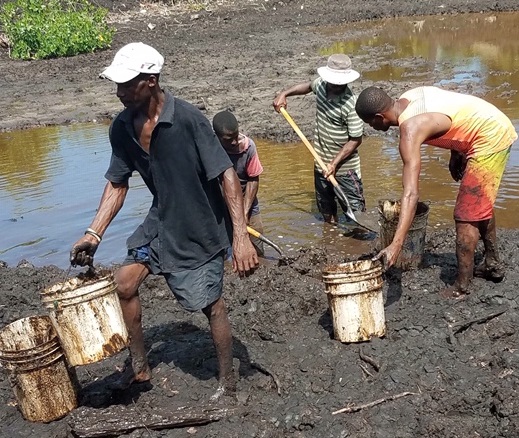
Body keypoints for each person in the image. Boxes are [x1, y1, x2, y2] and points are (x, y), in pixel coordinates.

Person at [69, 42, 259, 397]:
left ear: (151, 81)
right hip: (161, 220)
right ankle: (140, 368)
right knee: (124, 284)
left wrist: (240, 236)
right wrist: (93, 233)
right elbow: (117, 183)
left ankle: (227, 383)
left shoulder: (188, 120)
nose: (119, 92)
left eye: (128, 84)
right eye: (118, 85)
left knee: (210, 304)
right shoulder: (122, 128)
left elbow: (227, 176)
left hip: (200, 223)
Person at [355, 85, 517, 298]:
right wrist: (456, 151)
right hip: (489, 120)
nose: (372, 127)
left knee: (465, 215)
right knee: (480, 202)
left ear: (378, 117)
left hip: (489, 137)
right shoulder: (410, 96)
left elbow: (411, 193)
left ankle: (462, 286)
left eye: (370, 123)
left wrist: (396, 244)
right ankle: (492, 263)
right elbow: (452, 109)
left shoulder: (409, 129)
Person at [273, 53, 365, 224]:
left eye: (340, 82)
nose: (336, 85)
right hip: (320, 163)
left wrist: (334, 164)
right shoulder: (321, 85)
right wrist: (284, 93)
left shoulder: (352, 105)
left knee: (356, 217)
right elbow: (308, 86)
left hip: (345, 170)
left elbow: (355, 140)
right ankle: (330, 240)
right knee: (326, 211)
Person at [213, 110, 265, 257]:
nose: (235, 142)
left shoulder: (248, 147)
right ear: (217, 137)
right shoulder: (210, 149)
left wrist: (244, 212)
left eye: (236, 136)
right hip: (221, 205)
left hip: (246, 200)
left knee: (256, 245)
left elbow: (253, 179)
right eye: (229, 139)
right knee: (222, 248)